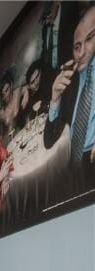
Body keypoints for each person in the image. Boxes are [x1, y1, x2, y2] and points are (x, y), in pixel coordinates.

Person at [43, 4, 95, 178]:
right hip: (71, 171)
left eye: (90, 38)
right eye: (76, 46)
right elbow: (49, 141)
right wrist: (55, 99)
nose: (80, 54)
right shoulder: (69, 79)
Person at [19, 60, 49, 126]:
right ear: (29, 86)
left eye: (37, 76)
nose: (36, 82)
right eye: (32, 82)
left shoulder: (46, 81)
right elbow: (23, 121)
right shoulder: (28, 98)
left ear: (40, 72)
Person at [0, 71, 23, 138]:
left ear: (11, 85)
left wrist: (26, 93)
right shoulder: (2, 112)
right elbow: (2, 135)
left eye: (7, 90)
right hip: (13, 137)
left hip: (24, 129)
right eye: (3, 94)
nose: (6, 95)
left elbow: (27, 87)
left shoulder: (17, 92)